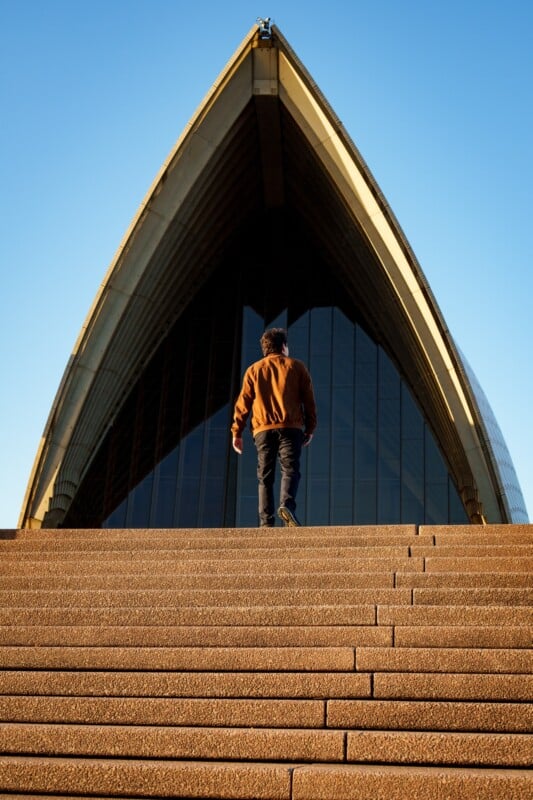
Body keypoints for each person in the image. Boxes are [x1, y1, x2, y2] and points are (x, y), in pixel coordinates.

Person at [231, 327, 317, 527]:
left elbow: (242, 404)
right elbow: (309, 402)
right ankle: (287, 505)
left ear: (265, 349)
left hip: (263, 430)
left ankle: (266, 522)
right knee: (290, 469)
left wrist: (237, 432)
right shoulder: (297, 367)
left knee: (265, 476)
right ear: (284, 346)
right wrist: (310, 428)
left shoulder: (253, 370)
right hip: (290, 427)